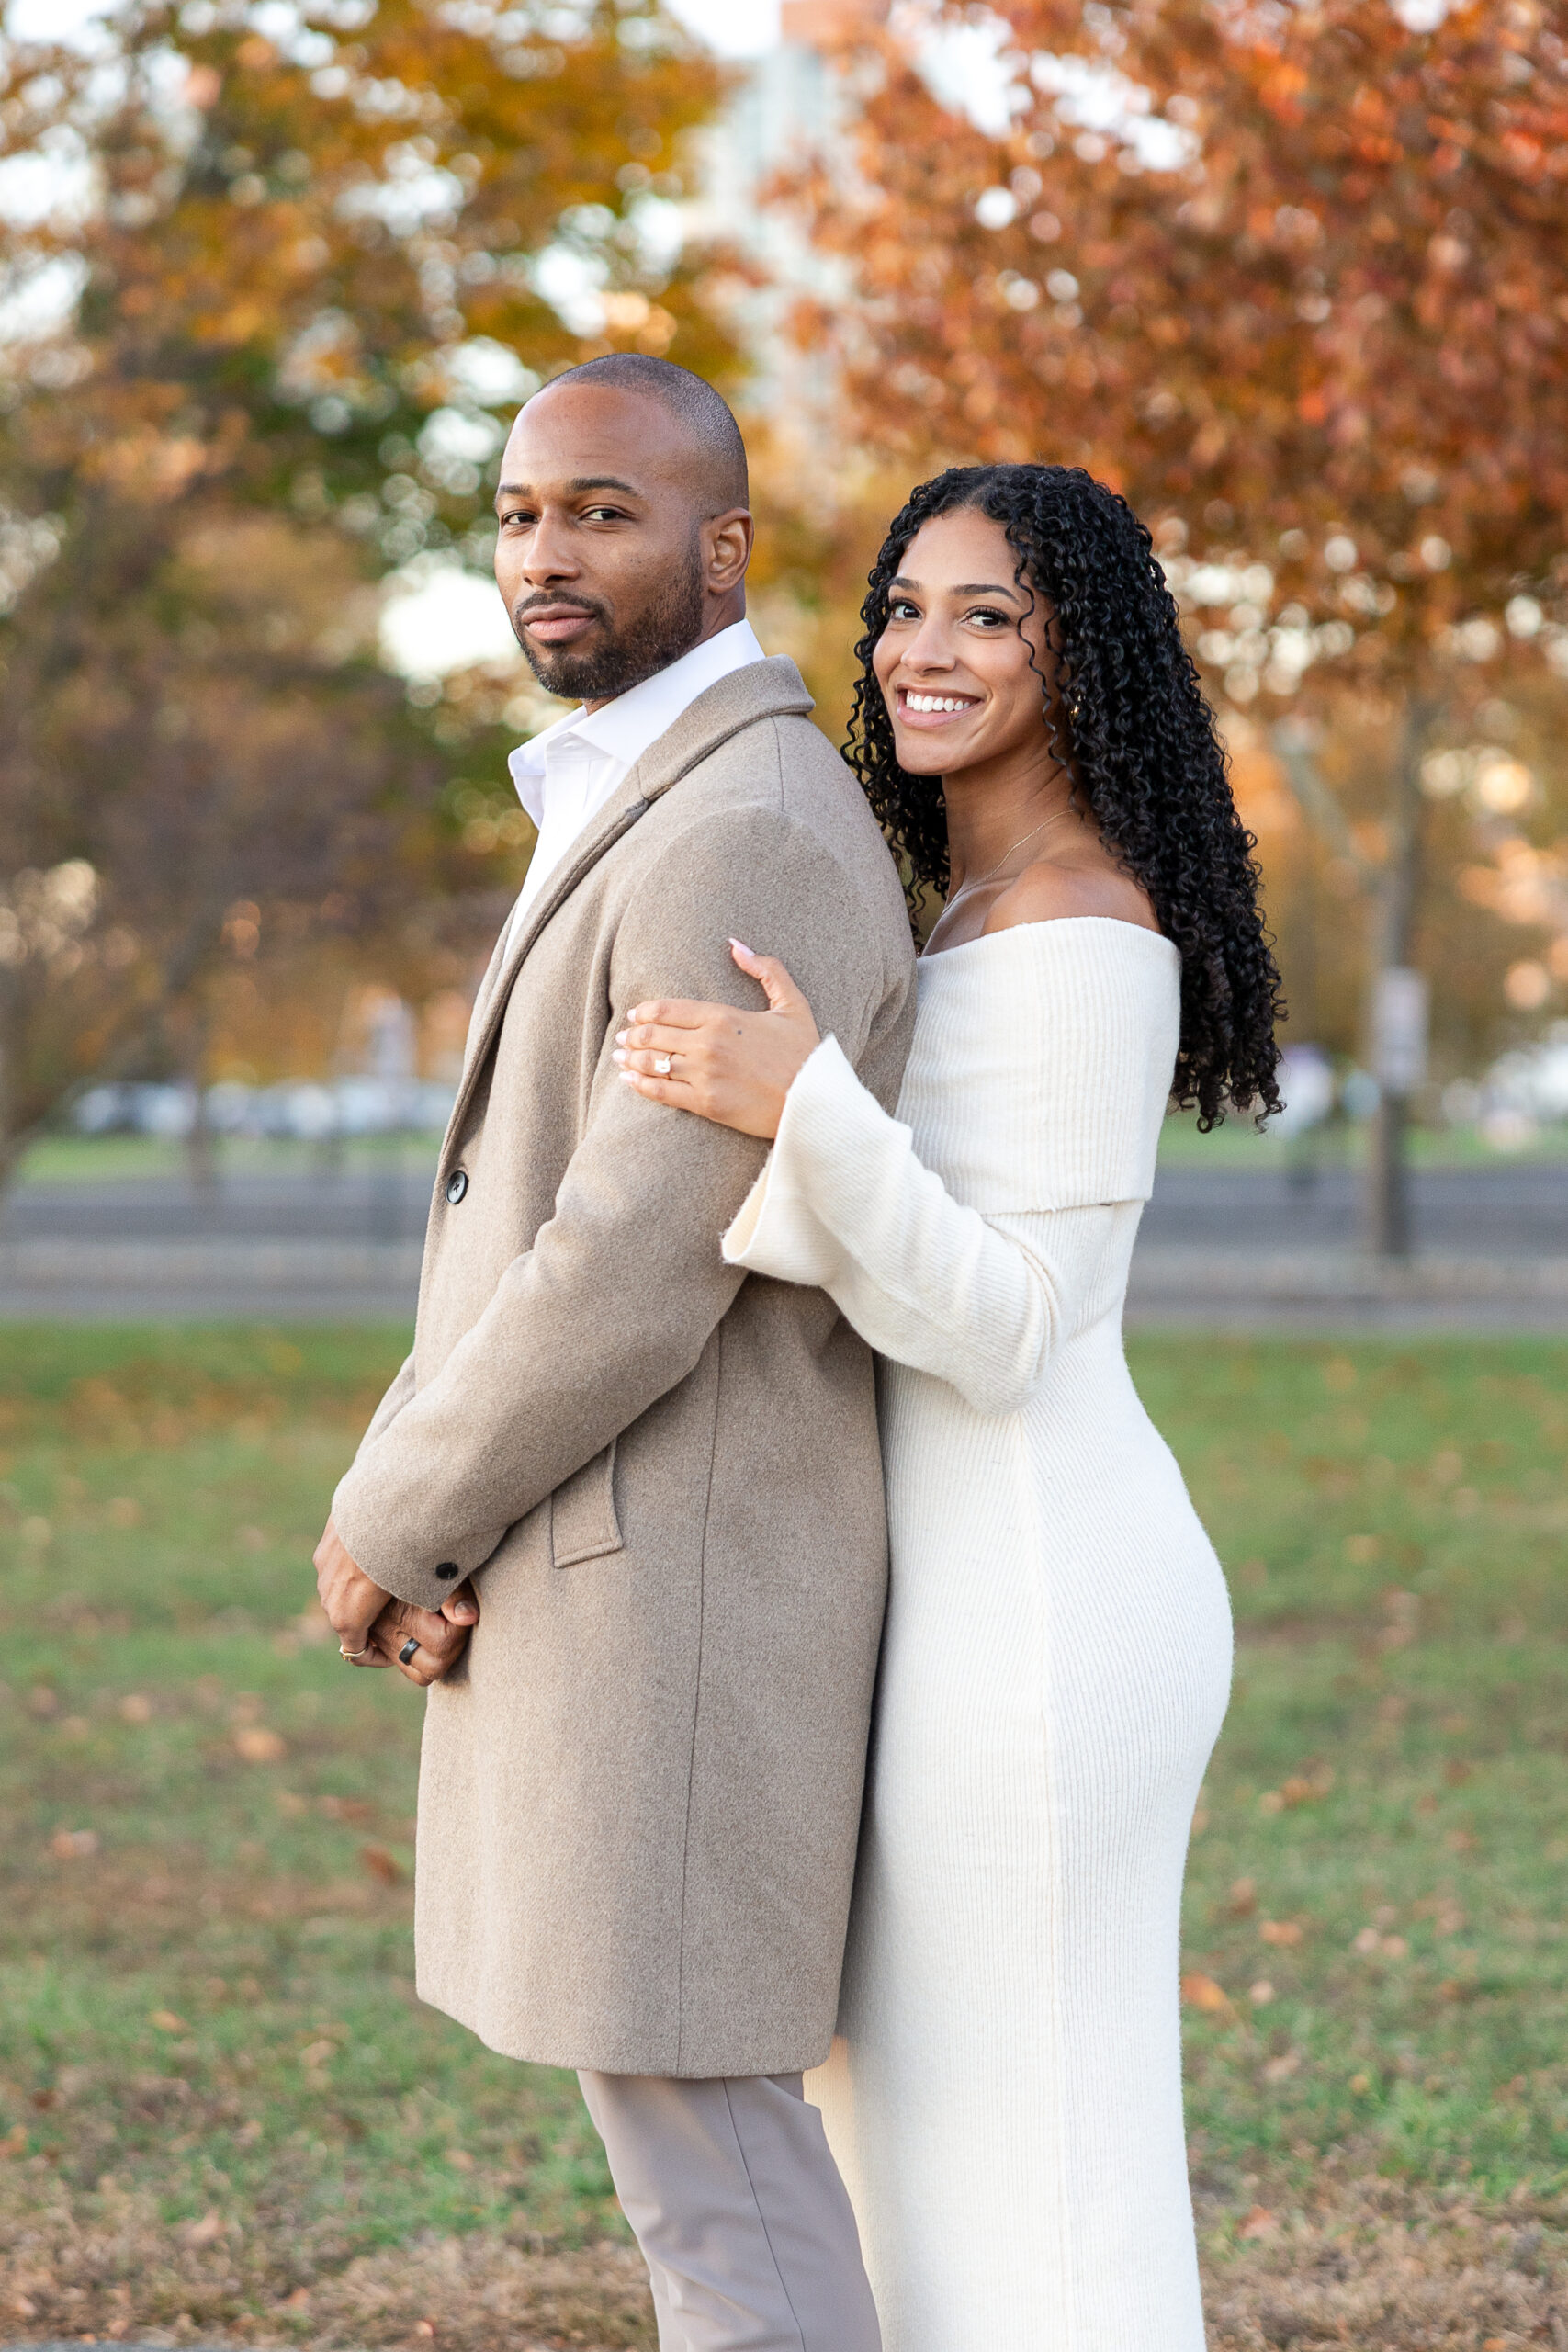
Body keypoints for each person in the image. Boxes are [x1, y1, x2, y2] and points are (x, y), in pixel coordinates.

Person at [614, 462, 1284, 2351]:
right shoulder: (972, 895)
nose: (923, 648)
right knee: (910, 2148)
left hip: (1044, 1611)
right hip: (953, 1599)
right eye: (905, 605)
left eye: (987, 614)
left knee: (1039, 2168)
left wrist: (801, 1099)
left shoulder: (1079, 924)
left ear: (1083, 657)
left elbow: (1006, 1327)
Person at [311, 354, 917, 2352]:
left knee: (718, 2196)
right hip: (605, 1578)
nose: (542, 551)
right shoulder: (649, 786)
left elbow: (629, 1260)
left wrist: (400, 1506)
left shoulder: (740, 824)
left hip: (675, 1612)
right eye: (515, 511)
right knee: (692, 2181)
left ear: (721, 547)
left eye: (600, 509)